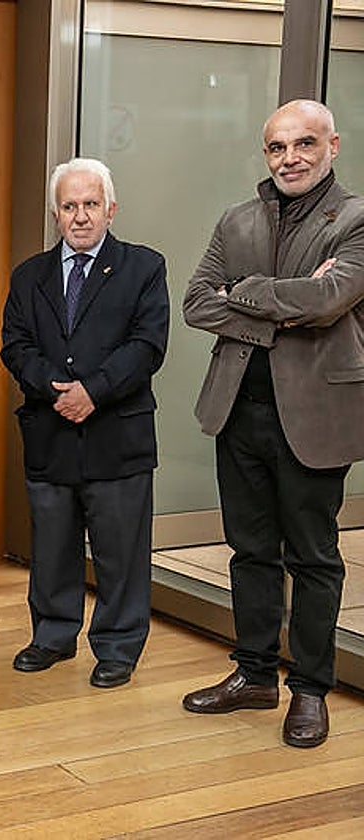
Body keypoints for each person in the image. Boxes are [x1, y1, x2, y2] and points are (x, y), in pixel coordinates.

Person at [181, 100, 364, 748]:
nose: (291, 157)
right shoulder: (237, 220)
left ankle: (310, 692)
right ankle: (255, 675)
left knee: (313, 559)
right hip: (239, 414)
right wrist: (278, 302)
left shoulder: (357, 220)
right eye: (278, 147)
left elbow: (328, 299)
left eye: (305, 143)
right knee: (251, 553)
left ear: (332, 146)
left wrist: (247, 292)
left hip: (314, 419)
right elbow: (197, 302)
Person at [1, 157, 168, 690]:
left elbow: (148, 345)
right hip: (51, 431)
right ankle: (51, 636)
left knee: (120, 551)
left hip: (117, 433)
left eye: (90, 204)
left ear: (111, 209)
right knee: (51, 546)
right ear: (56, 215)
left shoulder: (144, 267)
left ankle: (118, 646)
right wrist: (57, 390)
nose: (80, 216)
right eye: (69, 207)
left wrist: (92, 391)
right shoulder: (30, 276)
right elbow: (16, 345)